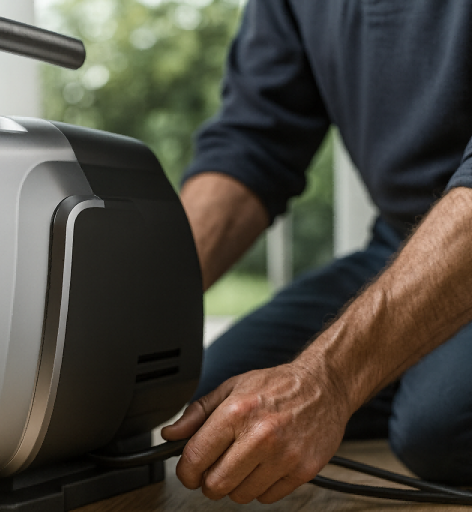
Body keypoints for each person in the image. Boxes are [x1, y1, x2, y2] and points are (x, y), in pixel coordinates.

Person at [160, 0, 472, 504]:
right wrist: (137, 312)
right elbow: (255, 139)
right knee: (215, 401)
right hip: (401, 238)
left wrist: (329, 379)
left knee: (439, 427)